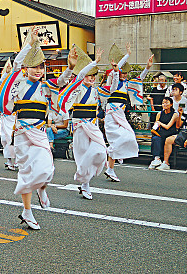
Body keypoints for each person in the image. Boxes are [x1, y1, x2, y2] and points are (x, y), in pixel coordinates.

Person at [0, 29, 75, 229]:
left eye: (41, 67)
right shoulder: (18, 83)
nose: (38, 71)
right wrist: (30, 43)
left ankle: (42, 188)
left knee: (47, 168)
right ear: (26, 68)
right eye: (34, 67)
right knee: (26, 172)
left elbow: (62, 81)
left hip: (39, 133)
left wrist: (70, 67)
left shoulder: (46, 86)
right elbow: (16, 66)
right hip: (22, 134)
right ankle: (27, 211)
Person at [58, 45, 105, 201]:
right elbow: (81, 74)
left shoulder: (95, 90)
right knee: (82, 154)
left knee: (100, 151)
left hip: (93, 124)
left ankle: (83, 176)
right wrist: (95, 61)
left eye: (94, 75)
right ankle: (85, 184)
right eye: (89, 75)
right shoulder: (76, 87)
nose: (91, 78)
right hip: (79, 125)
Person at [101, 43, 154, 182]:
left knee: (127, 137)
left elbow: (140, 79)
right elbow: (116, 73)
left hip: (120, 114)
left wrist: (147, 67)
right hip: (112, 114)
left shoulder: (127, 84)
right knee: (120, 139)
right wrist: (127, 55)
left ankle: (110, 168)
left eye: (125, 72)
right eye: (121, 72)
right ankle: (110, 165)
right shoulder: (113, 83)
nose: (124, 74)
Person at [148, 97, 178, 170]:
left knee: (161, 137)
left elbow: (168, 127)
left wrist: (159, 123)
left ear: (171, 104)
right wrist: (156, 125)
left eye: (166, 102)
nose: (164, 104)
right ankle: (157, 159)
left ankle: (163, 161)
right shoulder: (159, 113)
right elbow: (155, 127)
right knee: (155, 138)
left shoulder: (174, 114)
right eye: (163, 103)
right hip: (161, 133)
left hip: (170, 133)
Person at [156, 105, 186, 170]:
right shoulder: (185, 115)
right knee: (169, 140)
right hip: (183, 133)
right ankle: (166, 163)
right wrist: (180, 114)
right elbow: (178, 126)